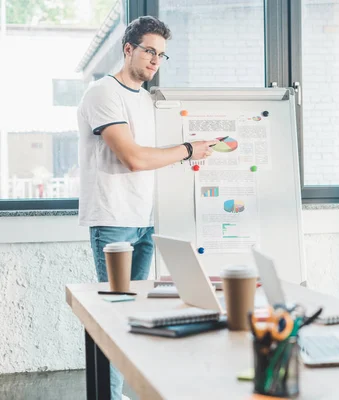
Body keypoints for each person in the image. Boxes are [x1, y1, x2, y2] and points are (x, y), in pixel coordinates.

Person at [77, 16, 217, 400]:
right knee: (113, 320)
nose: (156, 60)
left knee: (135, 319)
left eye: (161, 54)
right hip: (113, 222)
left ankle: (124, 394)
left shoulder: (147, 100)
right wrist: (188, 151)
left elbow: (155, 158)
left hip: (143, 222)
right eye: (150, 51)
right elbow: (134, 159)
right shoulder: (103, 93)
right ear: (129, 49)